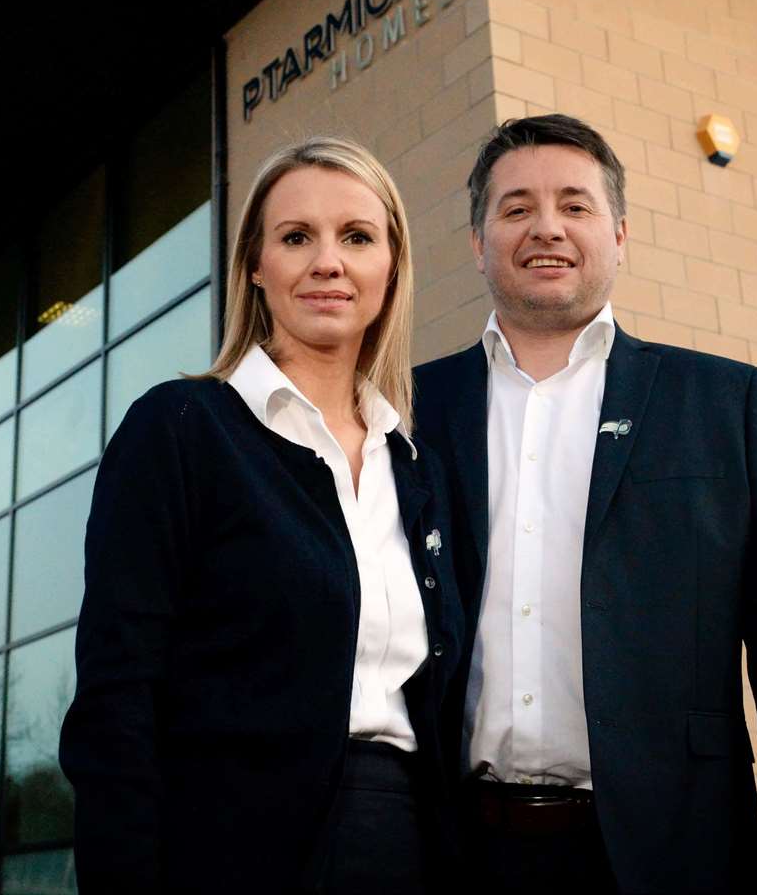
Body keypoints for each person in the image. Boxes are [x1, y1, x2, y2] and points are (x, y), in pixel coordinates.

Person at [413, 114, 757, 893]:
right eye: (515, 208)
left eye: (574, 205)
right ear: (476, 241)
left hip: (671, 856)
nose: (546, 228)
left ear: (620, 233)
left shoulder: (721, 401)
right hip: (457, 857)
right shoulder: (408, 411)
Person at [59, 137, 465, 894]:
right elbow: (116, 692)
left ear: (390, 266)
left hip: (402, 844)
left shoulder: (413, 465)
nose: (327, 262)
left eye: (356, 237)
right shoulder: (181, 428)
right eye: (295, 237)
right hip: (228, 850)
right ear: (254, 264)